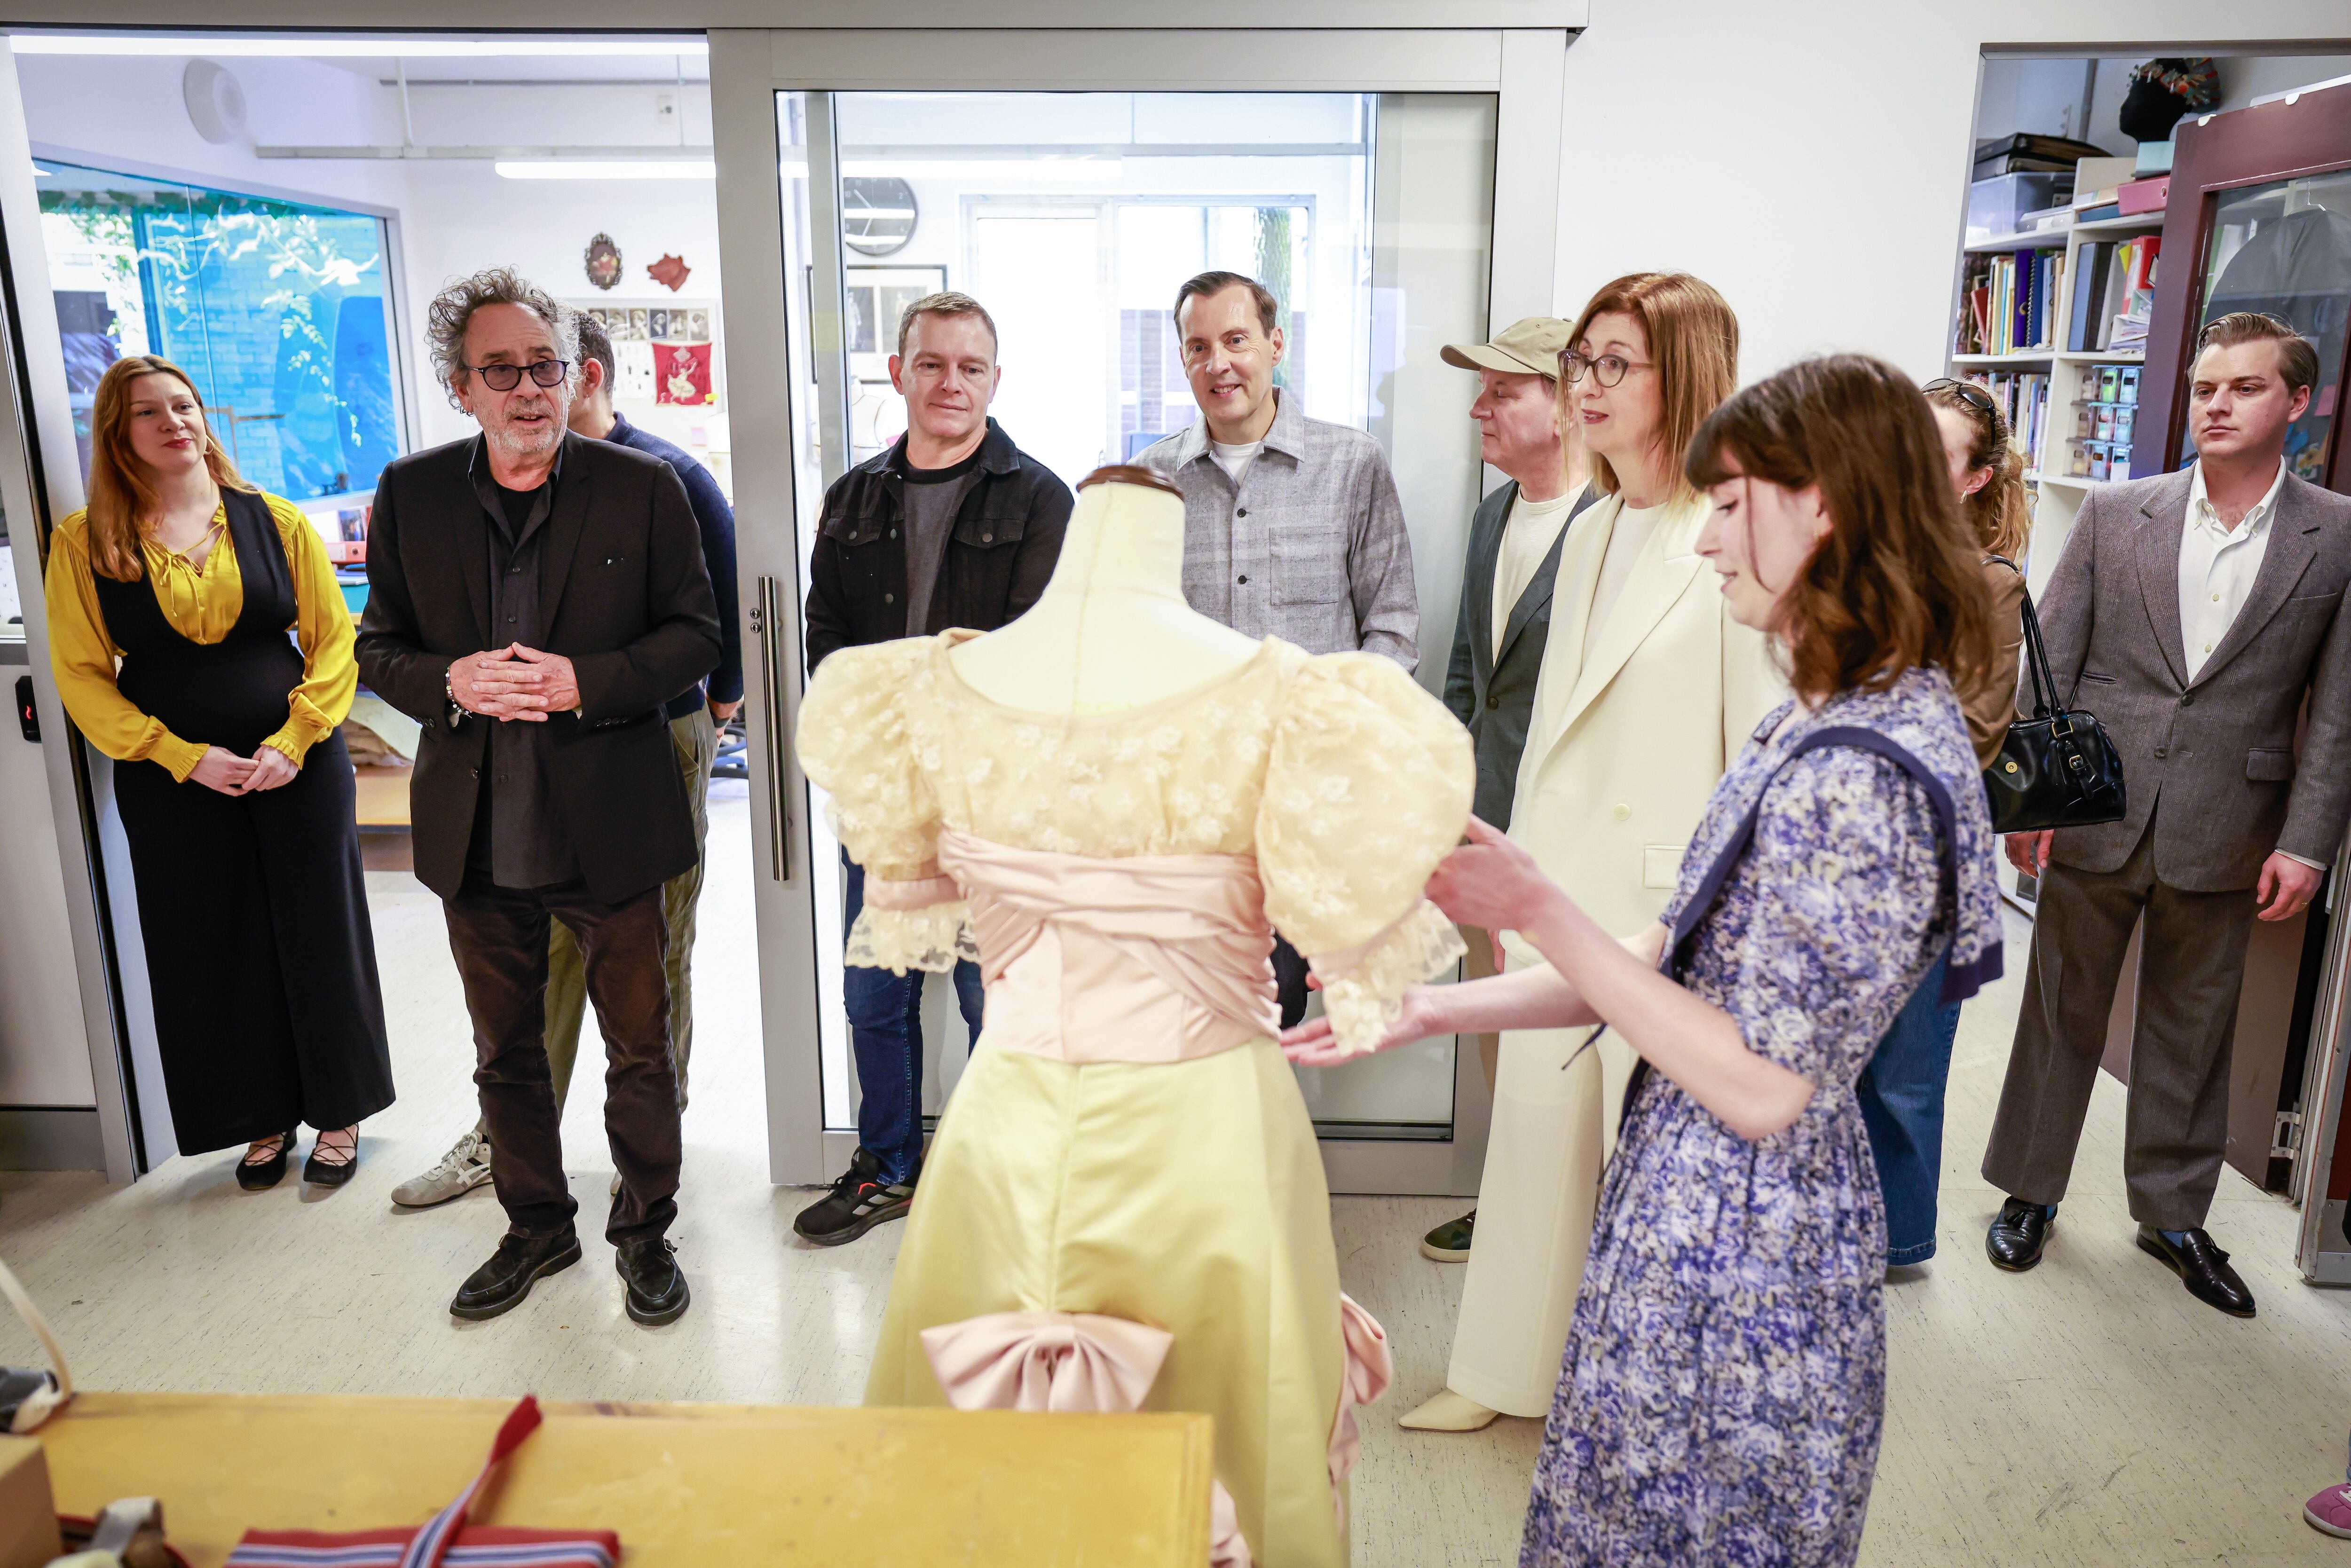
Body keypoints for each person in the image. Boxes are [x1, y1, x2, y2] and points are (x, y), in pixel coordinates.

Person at [1291, 354, 2004, 1565]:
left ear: (1824, 507)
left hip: (1751, 1252)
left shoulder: (1860, 772)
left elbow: (1762, 1086)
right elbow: (1666, 961)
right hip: (1691, 1216)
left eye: (1729, 506)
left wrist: (1537, 906)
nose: (1707, 541)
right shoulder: (1820, 719)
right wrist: (1430, 1010)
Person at [801, 467, 1469, 1568]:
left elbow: (917, 899)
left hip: (1012, 1130)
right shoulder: (1284, 697)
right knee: (1230, 1400)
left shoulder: (930, 692)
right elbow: (1345, 936)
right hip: (1205, 1132)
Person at [1405, 273, 1780, 1434]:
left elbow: (1757, 760)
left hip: (1661, 909)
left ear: (1686, 374)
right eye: (1581, 363)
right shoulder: (1594, 525)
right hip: (1560, 886)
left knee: (1647, 1170)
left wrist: (1706, 924)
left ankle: (1632, 1401)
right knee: (1532, 1144)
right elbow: (1553, 732)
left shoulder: (1732, 530)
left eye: (1616, 363)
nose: (1586, 386)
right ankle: (1502, 1373)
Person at [357, 267, 720, 1326]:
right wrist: (451, 681)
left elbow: (696, 636)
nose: (528, 389)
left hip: (611, 823)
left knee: (639, 1048)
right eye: (501, 370)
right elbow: (378, 648)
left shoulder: (643, 487)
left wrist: (584, 682)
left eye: (544, 367)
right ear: (461, 386)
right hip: (478, 831)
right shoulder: (413, 493)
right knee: (504, 1053)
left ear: (573, 376)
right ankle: (536, 1228)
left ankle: (645, 1232)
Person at [1983, 311, 2351, 1317]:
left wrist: (2308, 842)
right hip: (2095, 808)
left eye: (2244, 387)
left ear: (2298, 401)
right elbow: (2050, 665)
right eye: (2204, 388)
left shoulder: (2336, 533)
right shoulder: (2116, 512)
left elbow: (2338, 711)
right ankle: (2030, 1192)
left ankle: (2173, 1216)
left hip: (2232, 820)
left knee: (2194, 1030)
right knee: (2061, 1010)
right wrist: (2030, 802)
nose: (2217, 405)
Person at [44, 356, 394, 1189]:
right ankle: (257, 1117)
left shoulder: (275, 520)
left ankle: (339, 1111)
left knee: (321, 930)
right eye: (148, 412)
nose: (174, 422)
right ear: (117, 433)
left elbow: (333, 643)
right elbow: (81, 676)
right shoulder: (85, 541)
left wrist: (295, 740)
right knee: (208, 940)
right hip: (171, 778)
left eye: (184, 405)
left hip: (297, 763)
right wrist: (181, 756)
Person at [794, 291, 1072, 1247]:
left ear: (995, 379)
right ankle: (888, 1167)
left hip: (993, 803)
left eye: (970, 367)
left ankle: (1003, 1178)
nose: (951, 383)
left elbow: (1031, 657)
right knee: (875, 995)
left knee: (993, 997)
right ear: (899, 372)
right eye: (932, 363)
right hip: (883, 799)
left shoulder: (1040, 500)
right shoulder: (852, 498)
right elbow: (827, 643)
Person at [1137, 268, 1419, 1027]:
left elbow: (1393, 630)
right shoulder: (1151, 480)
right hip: (1191, 809)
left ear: (1275, 344)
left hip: (1307, 801)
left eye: (1236, 340)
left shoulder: (1351, 465)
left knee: (1283, 1002)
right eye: (1198, 347)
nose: (1219, 364)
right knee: (1184, 1004)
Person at [1848, 376, 2035, 1269]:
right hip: (1834, 841)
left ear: (1975, 478)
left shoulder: (1990, 584)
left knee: (1905, 1067)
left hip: (1926, 851)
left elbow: (1980, 726)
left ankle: (1895, 1240)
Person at [1421, 314, 1593, 1265]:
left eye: (1502, 392)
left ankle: (1569, 1225)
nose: (1478, 410)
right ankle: (1512, 1206)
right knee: (1496, 1021)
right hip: (1486, 821)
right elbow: (1466, 673)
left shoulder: (1613, 525)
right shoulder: (1493, 515)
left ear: (1564, 405)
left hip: (1568, 837)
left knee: (1567, 1041)